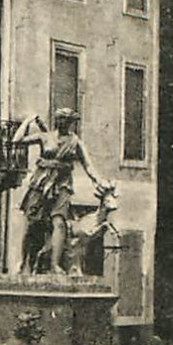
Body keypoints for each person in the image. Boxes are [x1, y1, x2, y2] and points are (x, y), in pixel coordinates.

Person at [14, 107, 113, 274]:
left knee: (59, 222)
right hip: (40, 183)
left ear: (71, 123)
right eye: (59, 119)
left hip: (62, 184)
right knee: (31, 224)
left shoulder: (76, 142)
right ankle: (23, 262)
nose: (61, 122)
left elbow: (88, 165)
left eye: (65, 120)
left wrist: (98, 181)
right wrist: (28, 121)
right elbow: (17, 140)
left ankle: (55, 265)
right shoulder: (44, 137)